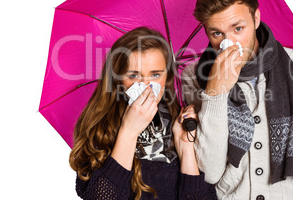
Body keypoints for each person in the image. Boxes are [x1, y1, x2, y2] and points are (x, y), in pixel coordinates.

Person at [181, 0, 293, 199]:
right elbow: (209, 172)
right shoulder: (194, 75)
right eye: (217, 33)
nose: (229, 42)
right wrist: (215, 93)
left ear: (256, 18)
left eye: (238, 28)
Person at [70, 27, 217, 200]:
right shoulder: (101, 128)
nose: (146, 85)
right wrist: (129, 132)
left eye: (155, 74)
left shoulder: (181, 123)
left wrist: (185, 148)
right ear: (117, 80)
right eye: (133, 75)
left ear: (167, 77)